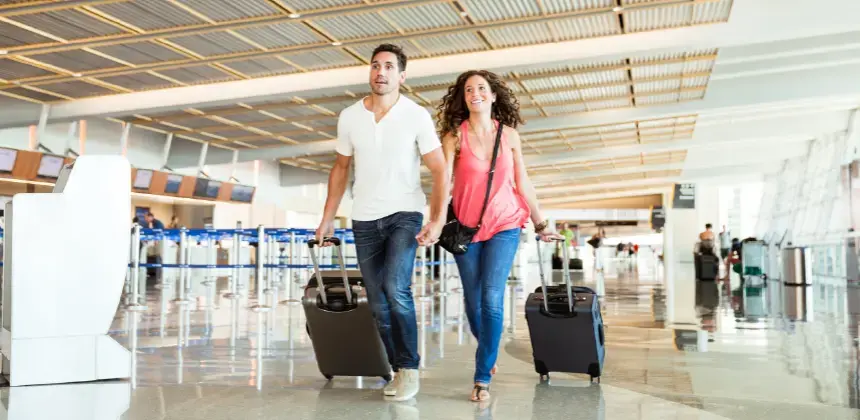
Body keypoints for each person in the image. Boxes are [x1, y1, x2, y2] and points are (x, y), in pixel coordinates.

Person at [315, 43, 448, 402]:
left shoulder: (416, 115)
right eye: (376, 65)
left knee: (395, 287)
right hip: (364, 218)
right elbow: (340, 168)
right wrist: (327, 219)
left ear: (401, 76)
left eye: (389, 67)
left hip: (405, 212)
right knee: (376, 300)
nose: (381, 72)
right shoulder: (349, 116)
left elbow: (439, 169)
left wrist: (437, 219)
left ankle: (410, 367)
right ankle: (397, 367)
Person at [435, 69, 562, 403]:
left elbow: (523, 181)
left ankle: (482, 377)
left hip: (505, 223)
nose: (475, 93)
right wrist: (435, 221)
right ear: (463, 98)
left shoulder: (509, 136)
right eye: (468, 89)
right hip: (466, 227)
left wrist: (540, 223)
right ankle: (487, 347)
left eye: (481, 88)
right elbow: (443, 182)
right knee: (473, 299)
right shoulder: (454, 137)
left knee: (491, 297)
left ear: (493, 96)